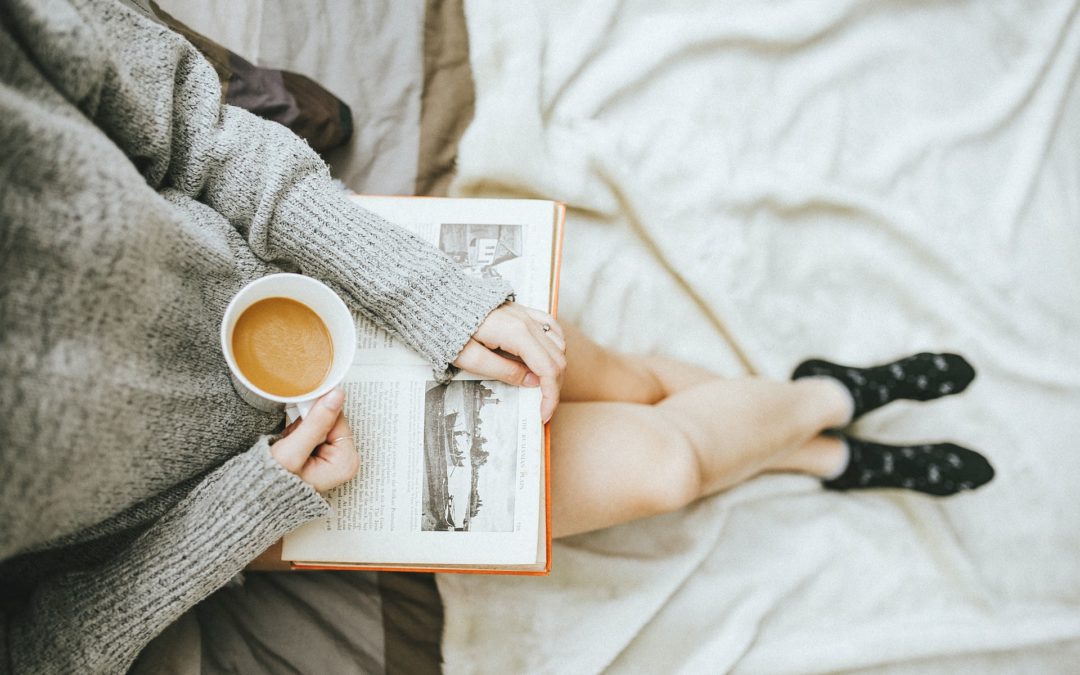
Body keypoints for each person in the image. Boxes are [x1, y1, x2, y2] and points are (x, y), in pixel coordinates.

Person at [0, 0, 992, 672]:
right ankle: (832, 405)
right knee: (666, 469)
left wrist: (434, 296)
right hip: (247, 491)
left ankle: (817, 454)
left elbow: (190, 120)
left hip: (306, 280)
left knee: (626, 378)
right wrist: (247, 506)